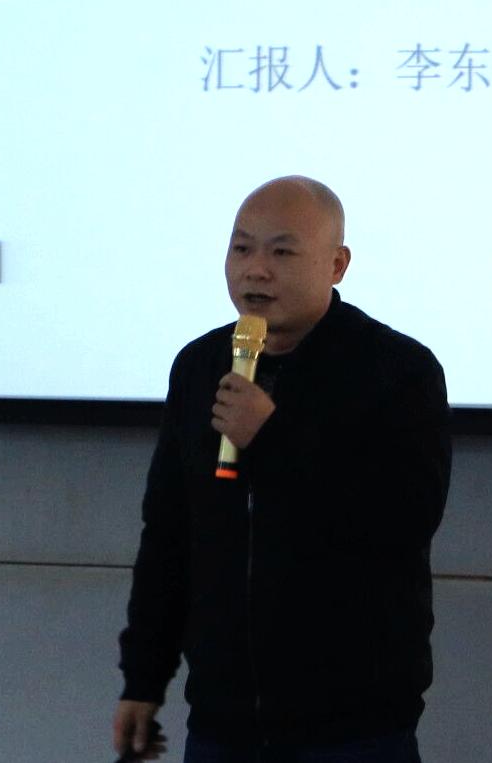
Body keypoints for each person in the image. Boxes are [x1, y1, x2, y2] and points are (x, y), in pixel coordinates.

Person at [113, 176, 451, 763]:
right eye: (241, 248)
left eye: (282, 252)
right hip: (221, 722)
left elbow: (402, 521)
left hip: (355, 727)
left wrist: (272, 439)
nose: (256, 270)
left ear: (337, 265)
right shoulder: (201, 365)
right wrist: (143, 679)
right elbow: (169, 534)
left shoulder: (397, 371)